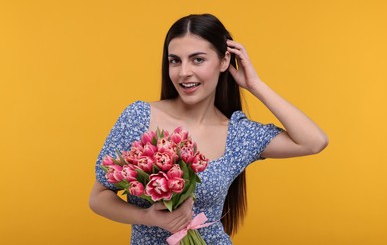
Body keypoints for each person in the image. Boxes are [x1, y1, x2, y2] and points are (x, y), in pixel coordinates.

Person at [89, 13, 328, 244]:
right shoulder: (139, 117)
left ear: (224, 61)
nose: (184, 72)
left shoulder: (238, 135)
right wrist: (147, 218)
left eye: (198, 59)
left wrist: (254, 85)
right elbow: (99, 197)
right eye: (175, 61)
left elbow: (313, 141)